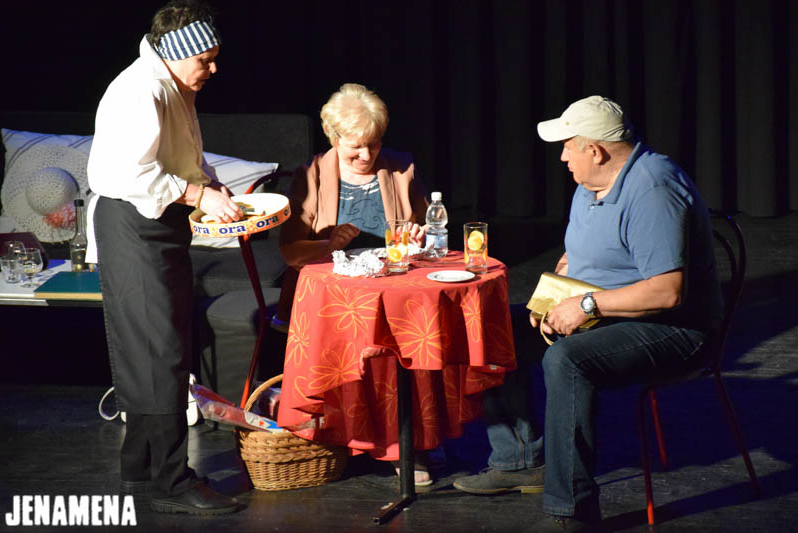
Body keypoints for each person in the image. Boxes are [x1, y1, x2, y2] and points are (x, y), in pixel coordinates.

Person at [453, 95, 722, 532]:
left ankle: (572, 512)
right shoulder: (592, 184)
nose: (562, 157)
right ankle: (520, 461)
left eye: (567, 147)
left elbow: (668, 291)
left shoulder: (652, 189)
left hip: (673, 328)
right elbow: (585, 250)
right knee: (497, 330)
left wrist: (584, 305)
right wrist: (557, 287)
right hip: (611, 310)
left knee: (568, 360)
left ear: (595, 150)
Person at [86, 0, 242, 515]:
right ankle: (171, 481)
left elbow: (178, 153)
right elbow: (127, 173)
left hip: (158, 224)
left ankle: (140, 465)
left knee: (156, 349)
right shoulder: (140, 90)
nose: (213, 69)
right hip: (132, 226)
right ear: (175, 54)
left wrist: (208, 181)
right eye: (205, 60)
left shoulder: (175, 86)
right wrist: (199, 196)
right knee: (160, 353)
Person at [277, 82, 432, 483]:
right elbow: (290, 252)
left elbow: (425, 236)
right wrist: (327, 244)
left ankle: (401, 446)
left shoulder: (400, 170)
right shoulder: (311, 175)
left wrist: (419, 237)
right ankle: (343, 439)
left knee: (402, 345)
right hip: (331, 296)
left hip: (389, 290)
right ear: (333, 138)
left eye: (374, 145)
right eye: (355, 148)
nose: (366, 156)